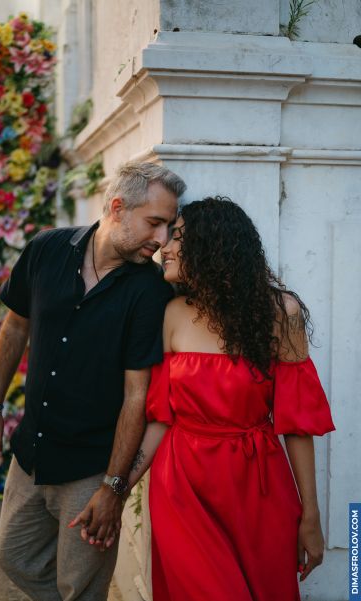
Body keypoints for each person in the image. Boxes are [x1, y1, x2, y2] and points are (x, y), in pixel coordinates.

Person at [0, 161, 186, 601]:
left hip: (91, 468)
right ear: (117, 207)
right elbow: (16, 327)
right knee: (12, 556)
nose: (162, 239)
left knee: (82, 587)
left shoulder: (149, 290)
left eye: (168, 226)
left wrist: (113, 488)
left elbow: (137, 395)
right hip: (31, 450)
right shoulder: (46, 248)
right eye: (155, 222)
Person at [127, 196, 335, 601]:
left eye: (177, 238)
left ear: (213, 246)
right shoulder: (172, 314)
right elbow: (159, 418)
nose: (163, 249)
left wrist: (311, 515)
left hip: (259, 490)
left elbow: (296, 425)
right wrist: (116, 489)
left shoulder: (282, 314)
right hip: (182, 487)